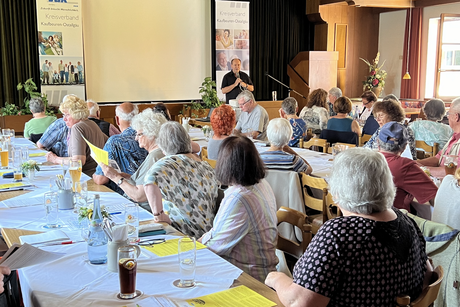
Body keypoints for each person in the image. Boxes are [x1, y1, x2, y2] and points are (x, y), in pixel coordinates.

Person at [265, 147, 428, 306]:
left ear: (337, 191)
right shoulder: (408, 223)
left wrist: (275, 278)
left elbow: (300, 302)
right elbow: (427, 276)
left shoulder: (339, 233)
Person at [200, 136, 278, 283]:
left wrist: (192, 246)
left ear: (225, 164)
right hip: (264, 267)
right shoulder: (261, 184)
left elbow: (216, 247)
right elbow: (218, 234)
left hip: (248, 276)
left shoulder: (239, 197)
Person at [144, 121, 219, 238]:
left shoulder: (169, 163)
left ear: (163, 147)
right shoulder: (206, 166)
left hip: (182, 235)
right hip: (207, 234)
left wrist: (158, 215)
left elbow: (150, 180)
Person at [100, 109, 167, 211]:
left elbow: (138, 196)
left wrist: (115, 177)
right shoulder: (160, 153)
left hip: (142, 211)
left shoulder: (154, 157)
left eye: (139, 134)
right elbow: (150, 182)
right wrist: (130, 177)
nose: (136, 138)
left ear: (151, 134)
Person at [378, 122, 437, 214]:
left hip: (361, 223)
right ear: (405, 146)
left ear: (378, 142)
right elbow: (436, 198)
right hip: (394, 222)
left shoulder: (365, 161)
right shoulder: (405, 166)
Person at [93, 103, 149, 195]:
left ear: (117, 120)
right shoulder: (149, 137)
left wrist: (94, 176)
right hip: (149, 192)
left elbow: (101, 179)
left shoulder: (114, 142)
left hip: (125, 195)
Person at [46, 95, 108, 176]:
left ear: (77, 114)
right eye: (63, 115)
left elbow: (78, 162)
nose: (64, 119)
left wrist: (55, 159)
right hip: (97, 174)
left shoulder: (77, 127)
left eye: (67, 115)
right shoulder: (91, 123)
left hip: (86, 177)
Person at [418, 97, 460, 178]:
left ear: (456, 117)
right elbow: (438, 157)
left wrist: (422, 169)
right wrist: (416, 163)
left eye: (449, 114)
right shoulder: (454, 135)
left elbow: (454, 172)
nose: (447, 117)